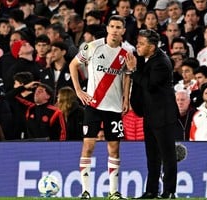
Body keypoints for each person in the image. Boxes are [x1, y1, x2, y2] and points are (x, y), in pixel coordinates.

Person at [69, 15, 132, 199]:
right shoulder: (93, 46)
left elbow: (127, 75)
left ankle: (113, 192)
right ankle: (85, 192)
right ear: (107, 28)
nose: (114, 30)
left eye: (118, 27)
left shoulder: (127, 52)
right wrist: (79, 90)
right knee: (88, 145)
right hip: (93, 105)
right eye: (112, 26)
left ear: (123, 30)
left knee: (114, 148)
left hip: (113, 107)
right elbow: (73, 65)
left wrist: (126, 99)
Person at [125, 29, 179, 199]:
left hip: (163, 116)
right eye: (138, 43)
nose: (137, 46)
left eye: (141, 44)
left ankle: (169, 191)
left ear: (152, 46)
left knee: (167, 155)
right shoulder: (144, 58)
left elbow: (150, 85)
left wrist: (134, 71)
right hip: (149, 114)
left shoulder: (162, 62)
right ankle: (151, 191)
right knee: (152, 156)